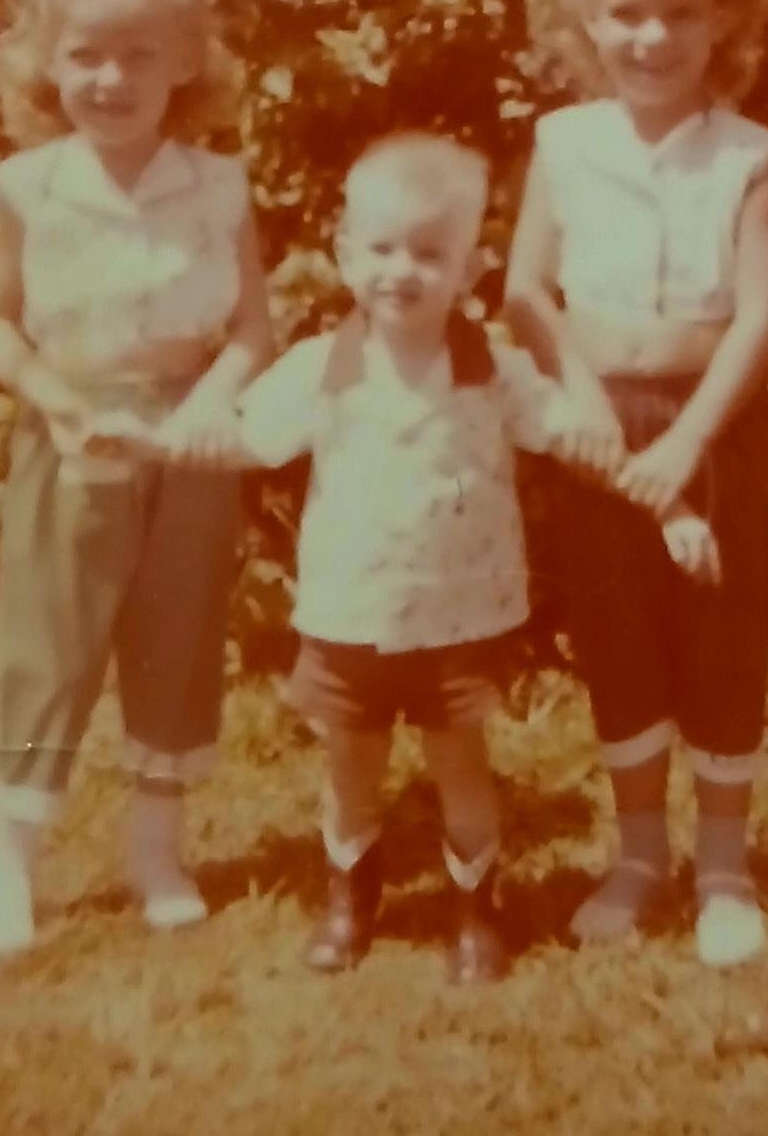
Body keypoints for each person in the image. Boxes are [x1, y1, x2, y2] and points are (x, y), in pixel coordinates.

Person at [156, 132, 578, 982]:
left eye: (430, 252)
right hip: (350, 612)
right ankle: (352, 897)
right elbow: (248, 438)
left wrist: (627, 449)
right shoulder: (322, 366)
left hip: (458, 617)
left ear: (470, 268)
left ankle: (475, 912)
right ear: (346, 255)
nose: (402, 271)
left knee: (461, 765)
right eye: (381, 248)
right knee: (353, 771)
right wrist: (179, 436)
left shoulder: (491, 369)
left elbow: (564, 424)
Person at [0, 0, 272, 954]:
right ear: (48, 62)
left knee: (176, 643)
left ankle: (155, 848)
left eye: (139, 53)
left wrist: (210, 403)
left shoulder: (218, 186)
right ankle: (6, 856)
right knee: (50, 646)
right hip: (74, 432)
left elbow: (251, 328)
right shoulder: (26, 187)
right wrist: (53, 395)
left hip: (188, 442)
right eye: (86, 53)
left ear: (183, 62)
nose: (110, 77)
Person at [505, 0, 768, 966]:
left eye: (679, 11)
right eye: (626, 11)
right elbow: (527, 293)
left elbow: (760, 315)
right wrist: (579, 401)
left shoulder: (752, 158)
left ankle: (721, 861)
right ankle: (636, 854)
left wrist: (683, 442)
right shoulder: (563, 143)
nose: (652, 35)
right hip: (592, 424)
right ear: (587, 18)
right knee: (616, 634)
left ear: (721, 13)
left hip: (707, 422)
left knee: (719, 639)